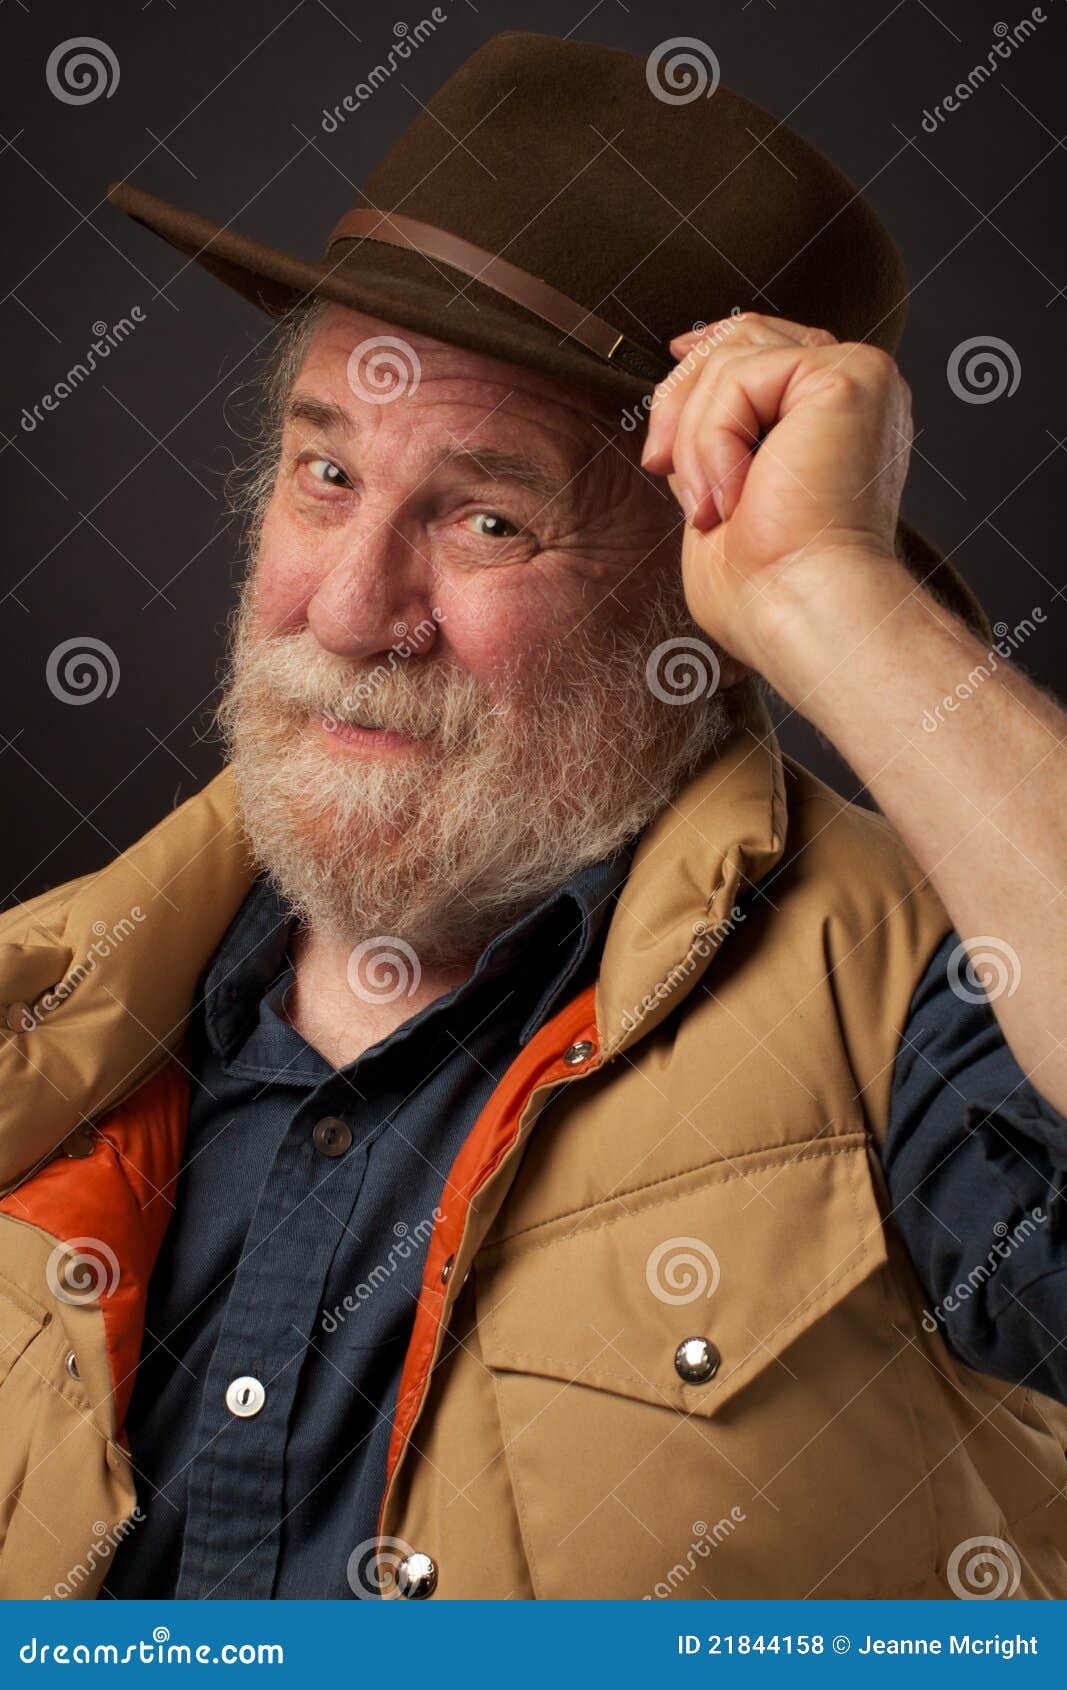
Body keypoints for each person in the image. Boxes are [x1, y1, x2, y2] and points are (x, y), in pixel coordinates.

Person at [0, 32, 1063, 1602]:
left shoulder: (918, 1001)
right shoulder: (53, 1005)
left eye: (491, 516)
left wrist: (840, 599)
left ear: (697, 606)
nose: (356, 611)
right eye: (326, 474)